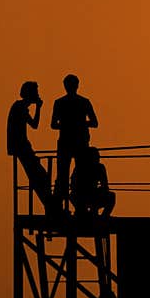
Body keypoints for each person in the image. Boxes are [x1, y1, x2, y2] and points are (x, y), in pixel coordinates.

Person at [7, 81, 63, 217]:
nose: (37, 94)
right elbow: (34, 125)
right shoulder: (19, 107)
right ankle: (52, 208)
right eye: (35, 92)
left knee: (40, 177)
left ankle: (51, 207)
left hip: (23, 147)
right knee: (41, 177)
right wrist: (38, 107)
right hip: (21, 147)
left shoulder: (21, 107)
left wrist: (38, 107)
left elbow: (34, 125)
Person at [51, 74, 98, 206]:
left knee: (65, 175)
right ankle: (78, 205)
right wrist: (80, 124)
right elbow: (94, 123)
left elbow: (53, 125)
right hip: (79, 143)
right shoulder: (84, 102)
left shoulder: (59, 102)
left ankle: (65, 205)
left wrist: (69, 124)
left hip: (68, 142)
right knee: (78, 175)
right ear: (77, 85)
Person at [70, 147, 115, 218]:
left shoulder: (80, 167)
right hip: (82, 196)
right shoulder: (98, 167)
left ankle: (97, 216)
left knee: (110, 196)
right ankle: (102, 218)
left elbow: (72, 185)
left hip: (81, 196)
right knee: (111, 196)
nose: (99, 158)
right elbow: (105, 186)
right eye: (97, 156)